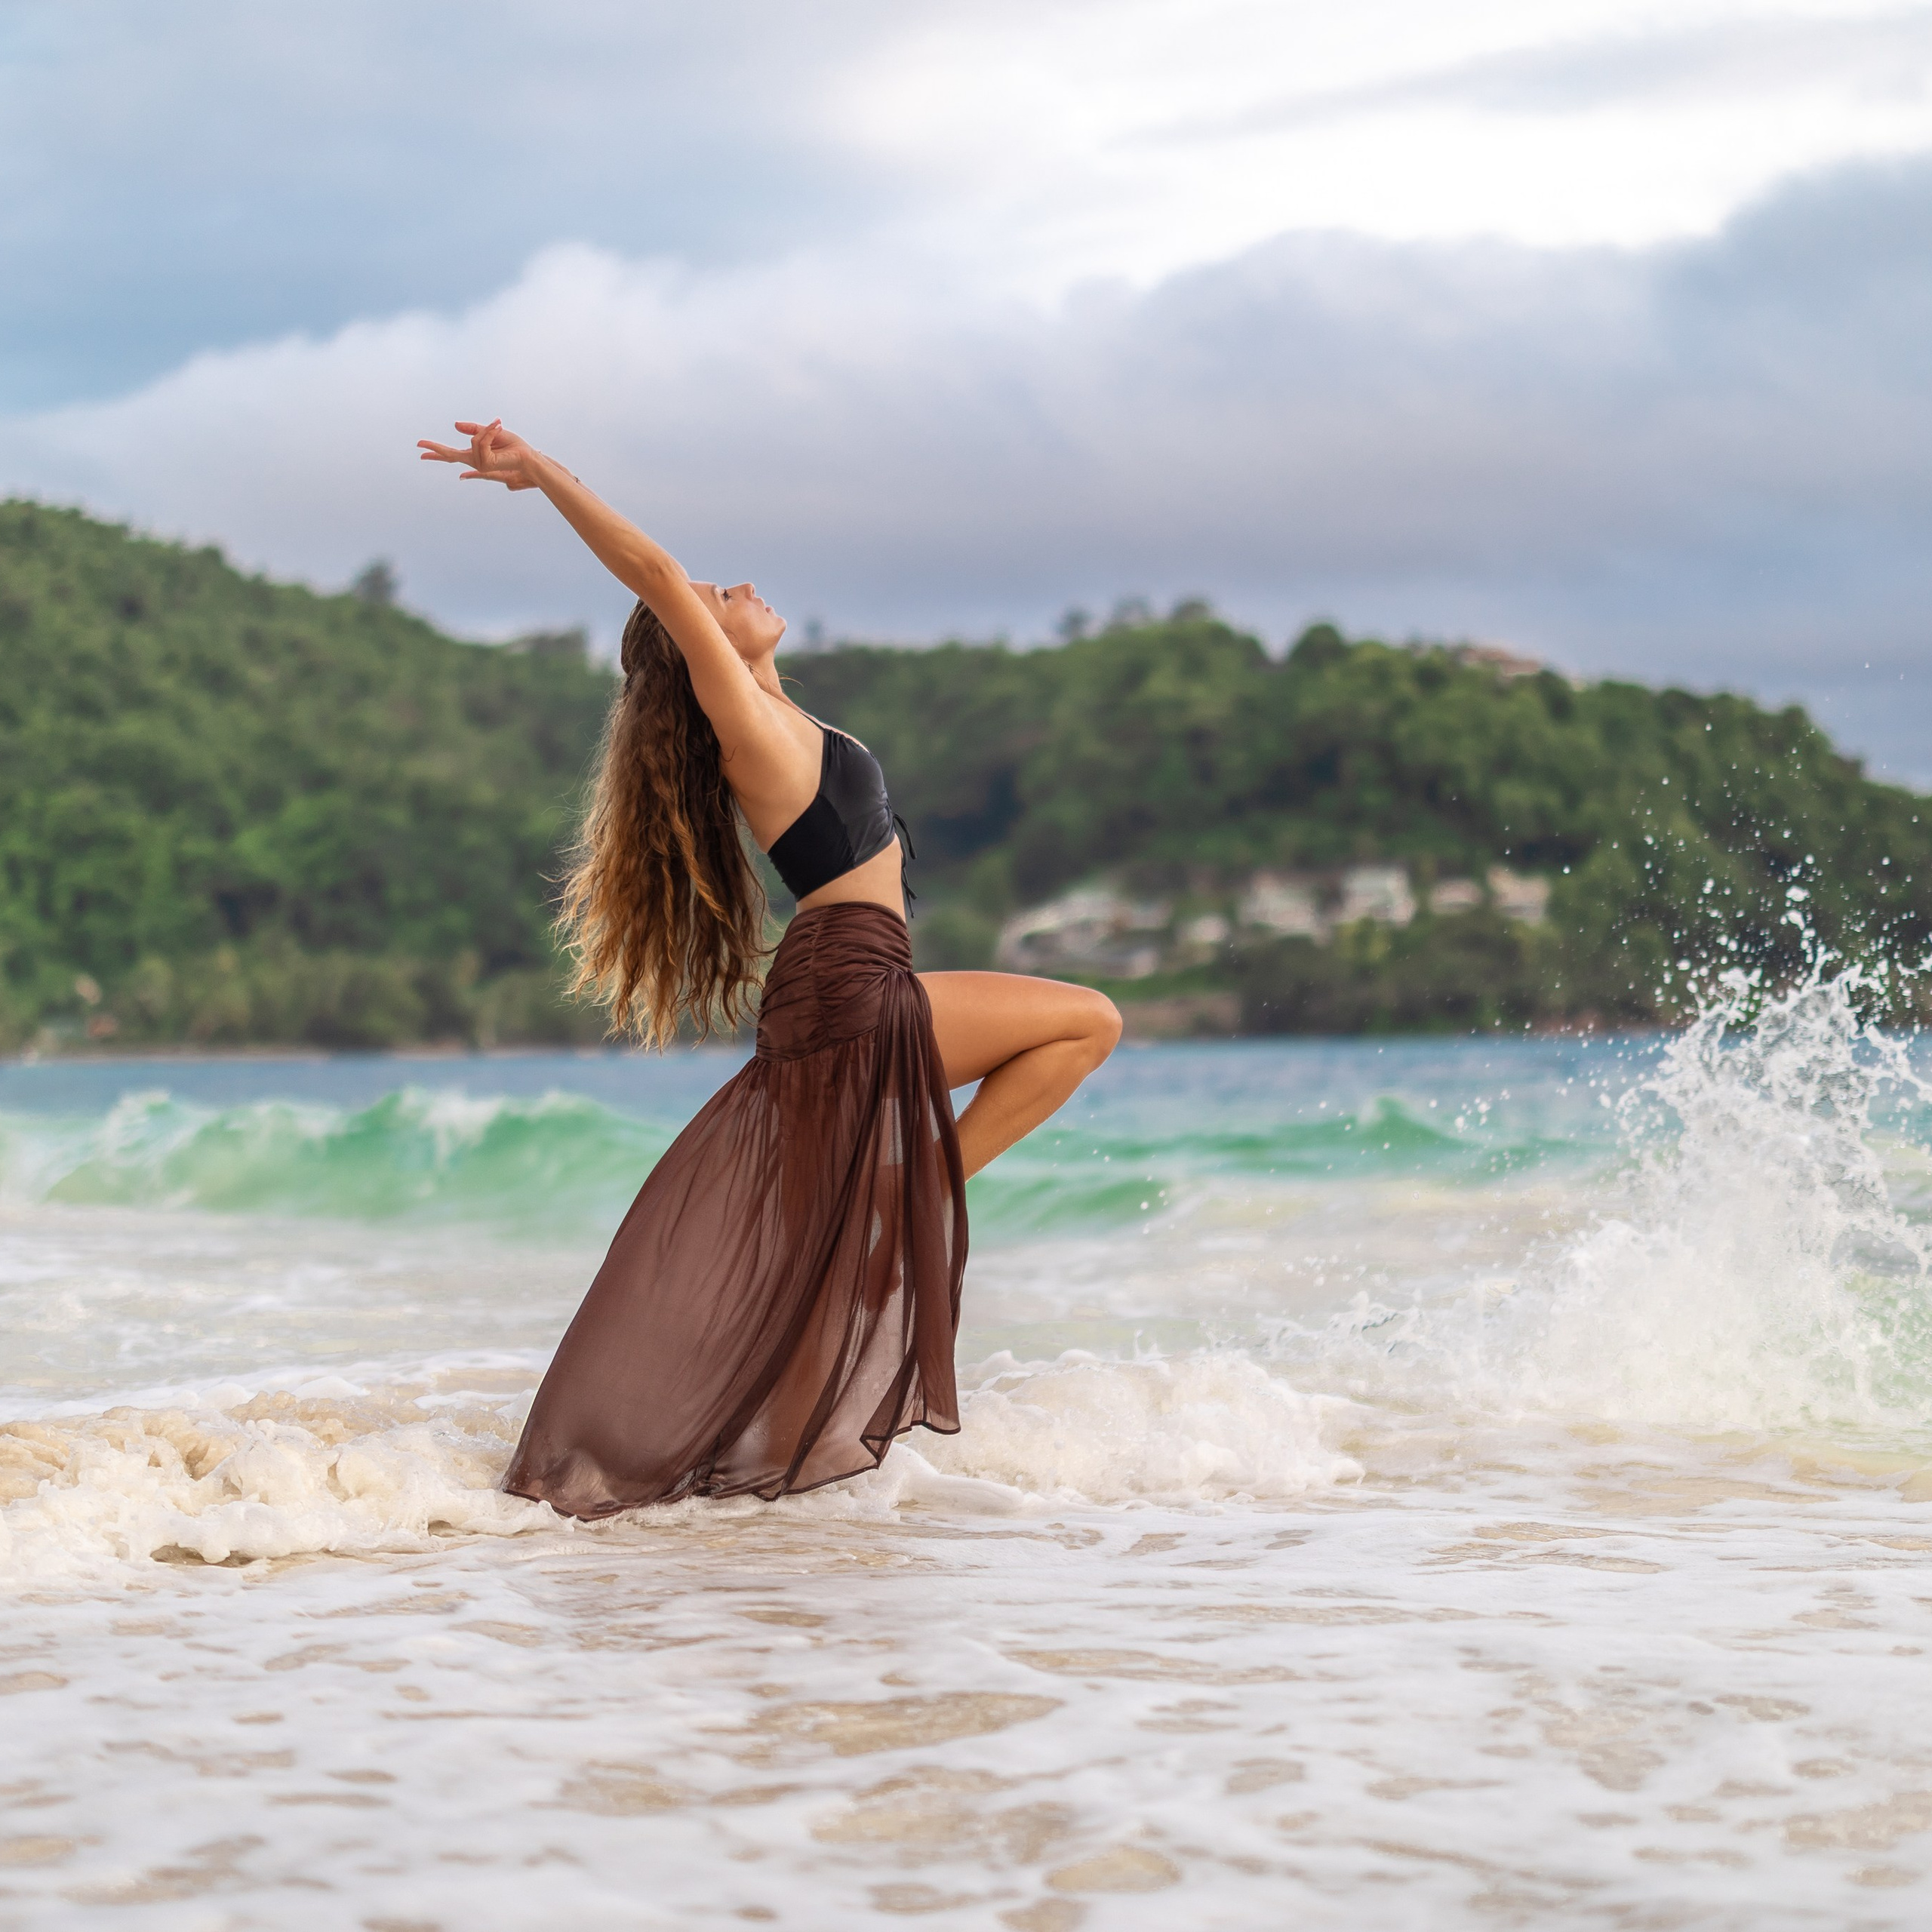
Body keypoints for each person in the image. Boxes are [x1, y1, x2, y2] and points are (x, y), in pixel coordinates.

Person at [417, 420, 1122, 1516]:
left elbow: (692, 602)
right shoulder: (742, 721)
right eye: (713, 595)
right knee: (1086, 1023)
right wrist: (545, 474)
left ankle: (753, 1497)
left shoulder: (780, 711)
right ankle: (908, 1194)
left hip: (836, 982)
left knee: (806, 1266)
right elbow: (652, 574)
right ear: (693, 635)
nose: (734, 585)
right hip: (849, 983)